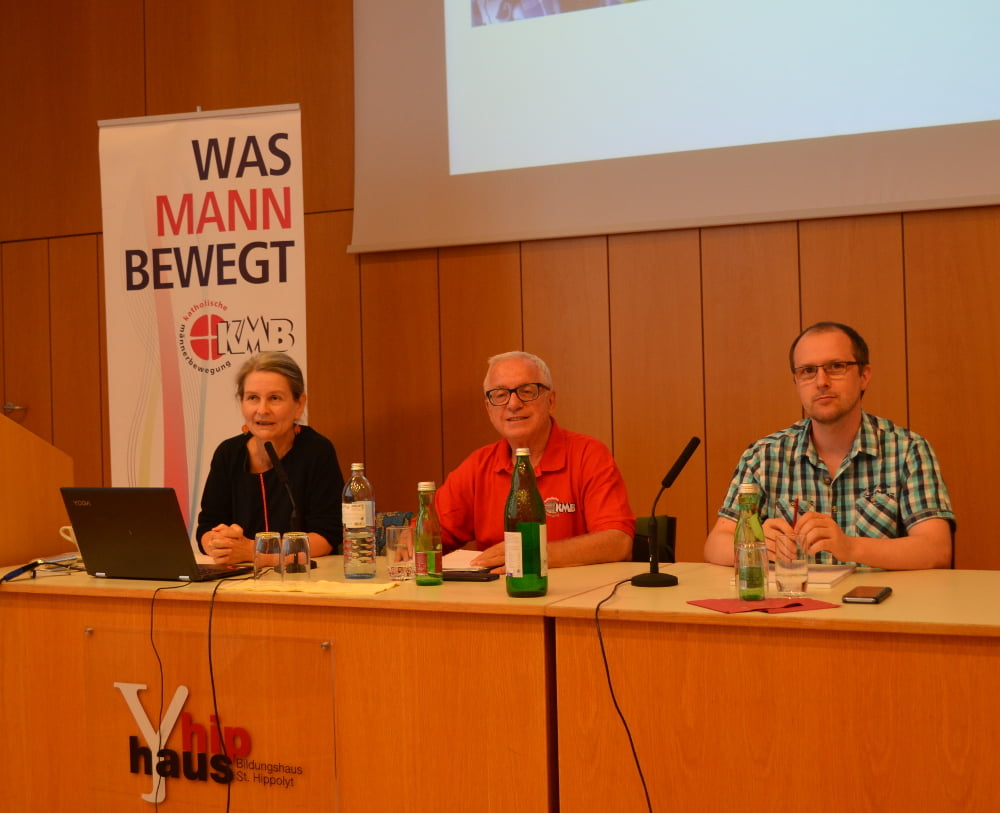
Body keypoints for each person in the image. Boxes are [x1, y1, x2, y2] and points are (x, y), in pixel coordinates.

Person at [704, 322, 954, 570]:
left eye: (836, 367)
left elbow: (936, 549)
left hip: (879, 606)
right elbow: (716, 543)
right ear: (797, 381)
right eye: (808, 371)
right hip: (793, 605)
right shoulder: (763, 455)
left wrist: (851, 547)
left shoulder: (907, 450)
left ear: (864, 376)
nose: (821, 381)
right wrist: (754, 545)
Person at [433, 351, 634, 569]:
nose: (513, 404)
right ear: (488, 407)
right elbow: (431, 532)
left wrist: (531, 554)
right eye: (500, 395)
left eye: (526, 391)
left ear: (551, 400)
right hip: (494, 595)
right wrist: (408, 541)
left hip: (574, 595)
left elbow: (618, 542)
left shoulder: (588, 455)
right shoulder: (478, 465)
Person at [197, 352, 344, 564]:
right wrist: (218, 542)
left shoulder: (316, 451)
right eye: (252, 398)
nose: (262, 410)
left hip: (304, 581)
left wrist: (258, 554)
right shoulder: (228, 453)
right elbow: (208, 525)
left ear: (299, 404)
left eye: (275, 398)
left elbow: (326, 536)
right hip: (236, 581)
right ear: (242, 402)